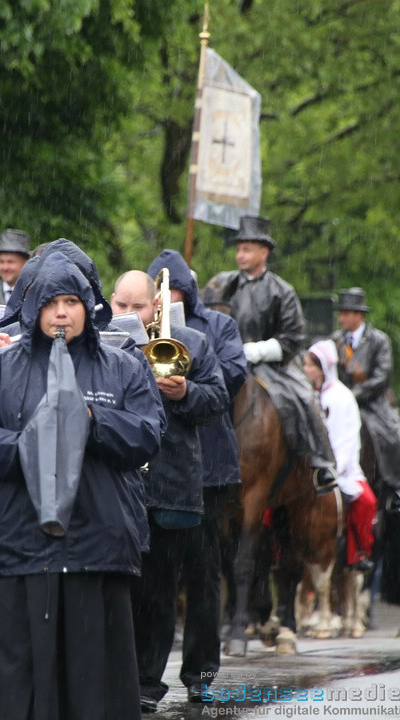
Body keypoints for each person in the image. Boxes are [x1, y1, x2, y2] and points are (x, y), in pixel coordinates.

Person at [0, 252, 164, 720]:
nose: (62, 312)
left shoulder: (122, 367)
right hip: (22, 550)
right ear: (33, 310)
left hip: (99, 550)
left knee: (97, 689)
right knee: (23, 686)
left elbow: (149, 433)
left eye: (72, 301)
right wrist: (37, 444)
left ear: (88, 307)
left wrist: (91, 421)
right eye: (51, 303)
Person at [109, 269, 228, 715]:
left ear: (155, 306)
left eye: (136, 307)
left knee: (159, 589)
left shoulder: (193, 342)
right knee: (121, 587)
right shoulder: (105, 341)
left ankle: (147, 682)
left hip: (170, 480)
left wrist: (185, 392)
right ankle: (118, 673)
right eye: (120, 305)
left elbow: (217, 401)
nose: (126, 314)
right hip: (120, 480)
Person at [145, 250, 246, 704]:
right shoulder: (140, 328)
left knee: (204, 576)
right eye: (162, 293)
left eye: (176, 292)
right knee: (157, 578)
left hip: (210, 468)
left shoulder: (219, 326)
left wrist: (185, 364)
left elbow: (234, 375)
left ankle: (201, 673)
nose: (169, 298)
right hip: (164, 470)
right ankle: (147, 676)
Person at [206, 215, 335, 482]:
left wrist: (256, 351)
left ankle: (321, 464)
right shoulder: (221, 284)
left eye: (247, 249)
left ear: (264, 253)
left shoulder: (282, 291)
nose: (240, 255)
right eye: (238, 249)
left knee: (304, 399)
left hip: (272, 366)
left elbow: (293, 337)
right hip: (223, 359)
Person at [330, 287, 400, 509]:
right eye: (340, 313)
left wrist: (353, 395)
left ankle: (396, 488)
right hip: (340, 402)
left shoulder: (379, 340)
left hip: (373, 403)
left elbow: (382, 377)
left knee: (391, 438)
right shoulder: (335, 340)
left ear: (359, 315)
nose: (340, 318)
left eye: (346, 313)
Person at [304, 340, 377, 570]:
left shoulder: (343, 398)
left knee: (367, 501)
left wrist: (334, 468)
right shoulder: (303, 395)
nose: (305, 370)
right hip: (305, 467)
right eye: (304, 365)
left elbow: (347, 440)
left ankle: (360, 553)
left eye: (309, 366)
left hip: (339, 469)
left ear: (323, 368)